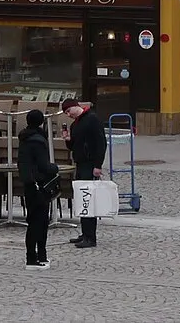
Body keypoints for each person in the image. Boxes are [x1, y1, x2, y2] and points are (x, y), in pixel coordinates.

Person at [17, 108, 59, 270]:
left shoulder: (25, 138)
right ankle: (34, 258)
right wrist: (54, 167)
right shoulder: (38, 141)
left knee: (36, 221)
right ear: (41, 122)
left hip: (30, 184)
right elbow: (44, 166)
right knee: (39, 222)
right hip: (38, 185)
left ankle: (39, 256)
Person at [66, 101, 107, 249]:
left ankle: (91, 237)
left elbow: (101, 142)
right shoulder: (75, 124)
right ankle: (85, 233)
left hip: (89, 164)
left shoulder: (92, 119)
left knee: (88, 199)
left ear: (76, 107)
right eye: (66, 113)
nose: (68, 114)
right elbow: (74, 145)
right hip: (80, 163)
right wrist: (68, 140)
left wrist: (98, 165)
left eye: (69, 110)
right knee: (82, 198)